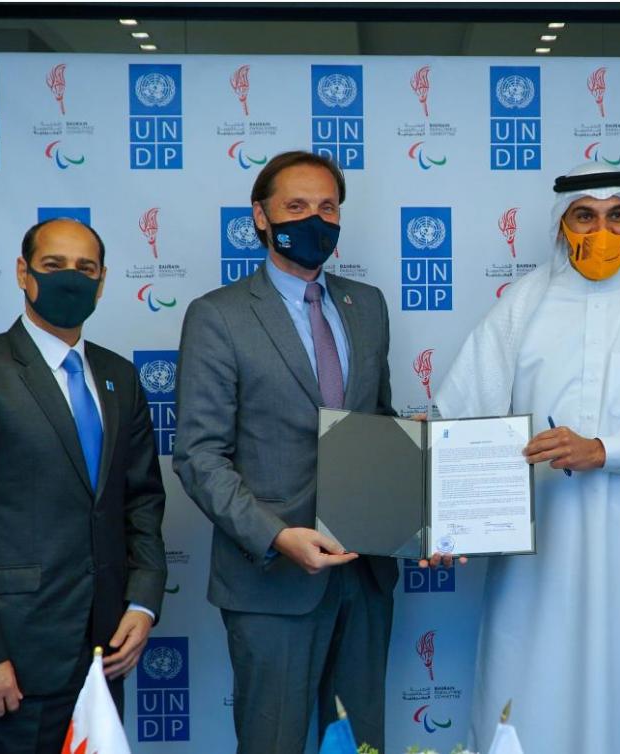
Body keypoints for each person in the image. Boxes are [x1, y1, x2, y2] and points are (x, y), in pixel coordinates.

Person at [436, 162, 620, 754]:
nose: (601, 229)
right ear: (561, 225)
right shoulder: (523, 304)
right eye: (584, 216)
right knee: (532, 699)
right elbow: (460, 418)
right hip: (542, 557)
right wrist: (439, 511)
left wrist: (604, 450)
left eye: (617, 216)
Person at [173, 151, 398, 754]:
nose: (314, 219)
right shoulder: (217, 316)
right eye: (296, 206)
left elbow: (382, 424)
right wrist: (277, 536)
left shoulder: (367, 305)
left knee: (359, 743)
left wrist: (423, 511)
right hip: (272, 581)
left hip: (365, 572)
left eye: (327, 207)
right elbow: (199, 455)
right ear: (261, 217)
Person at [0, 218, 167, 753]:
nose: (70, 279)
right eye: (54, 265)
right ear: (23, 273)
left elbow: (142, 500)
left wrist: (143, 604)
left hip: (105, 654)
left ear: (102, 283)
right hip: (13, 659)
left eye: (86, 268)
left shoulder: (120, 378)